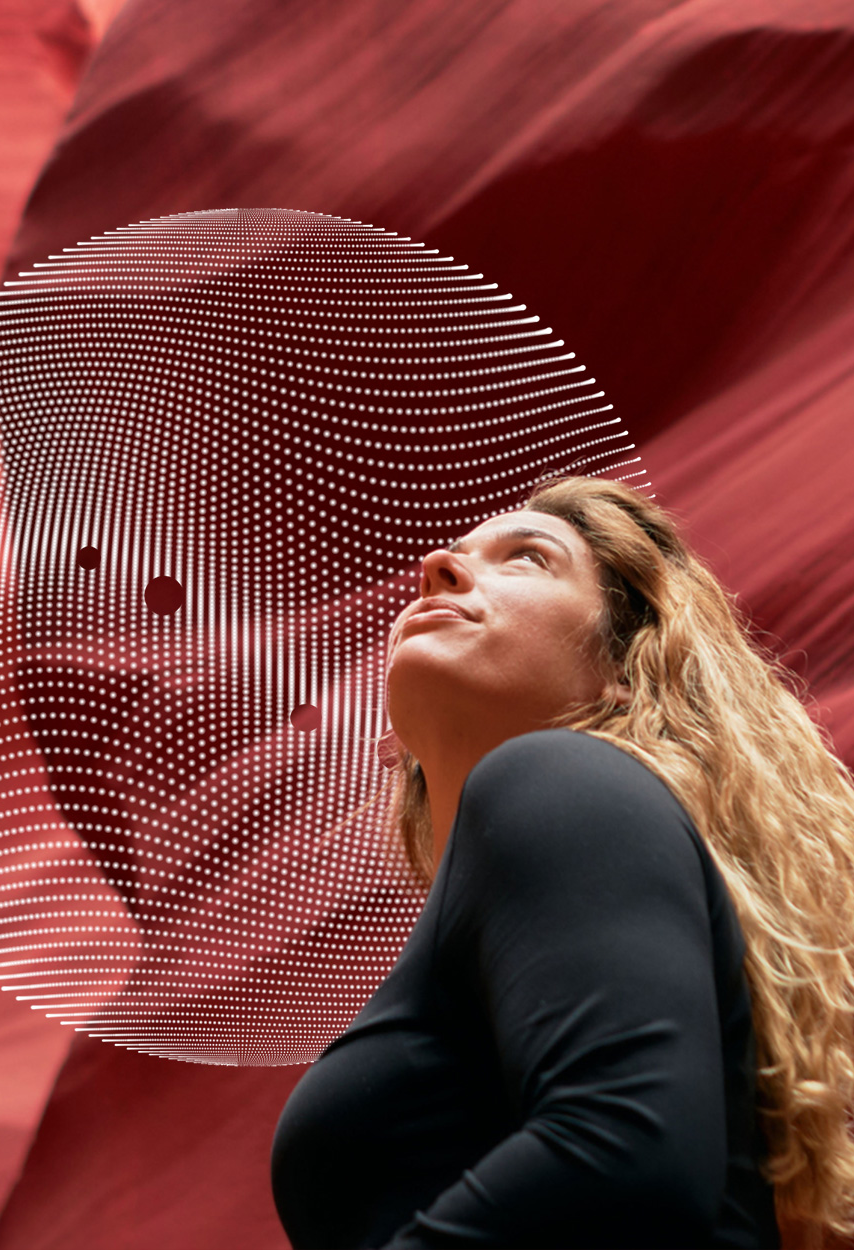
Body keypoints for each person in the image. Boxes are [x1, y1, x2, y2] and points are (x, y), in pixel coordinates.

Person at [271, 475, 854, 1249]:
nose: (438, 566)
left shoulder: (553, 777)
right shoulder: (531, 858)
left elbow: (622, 1155)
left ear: (627, 668)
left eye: (526, 558)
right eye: (455, 552)